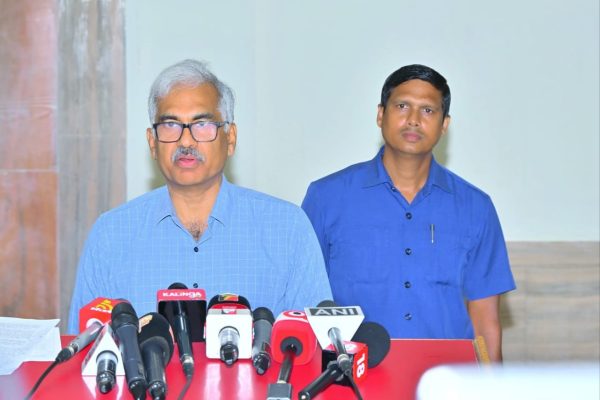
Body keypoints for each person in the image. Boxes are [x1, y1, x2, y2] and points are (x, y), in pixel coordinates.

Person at [68, 59, 332, 333]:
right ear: (152, 143)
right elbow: (82, 348)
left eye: (202, 124)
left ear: (230, 138)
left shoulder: (287, 228)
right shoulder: (111, 234)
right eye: (170, 125)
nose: (186, 141)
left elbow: (316, 346)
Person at [301, 64, 515, 361]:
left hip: (446, 377)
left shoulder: (476, 207)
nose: (413, 119)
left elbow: (485, 320)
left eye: (428, 110)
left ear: (444, 124)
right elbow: (304, 305)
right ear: (380, 115)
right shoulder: (327, 198)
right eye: (402, 106)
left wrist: (491, 383)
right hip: (353, 374)